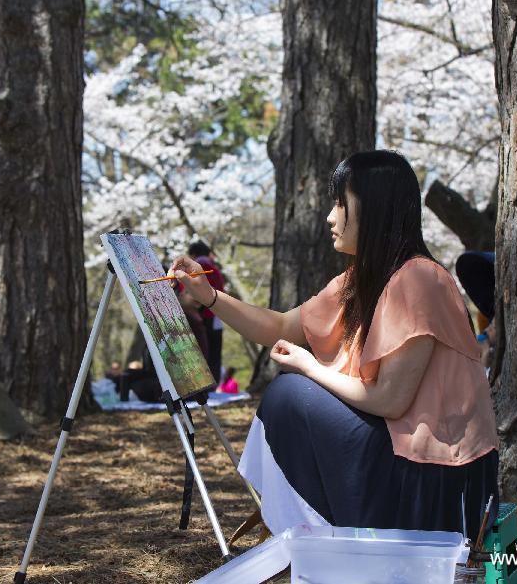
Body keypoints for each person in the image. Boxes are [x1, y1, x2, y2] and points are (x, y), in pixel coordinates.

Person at [169, 150, 499, 542]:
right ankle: (311, 536)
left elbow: (390, 400)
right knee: (289, 395)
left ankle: (312, 538)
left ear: (374, 208)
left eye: (341, 204)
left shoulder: (419, 279)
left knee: (290, 393)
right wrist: (209, 296)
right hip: (403, 457)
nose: (330, 216)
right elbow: (280, 325)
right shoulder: (362, 279)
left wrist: (312, 368)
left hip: (435, 478)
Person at [187, 241, 225, 383]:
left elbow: (200, 293)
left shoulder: (201, 268)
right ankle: (213, 383)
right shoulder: (214, 268)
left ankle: (206, 383)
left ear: (194, 254)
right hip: (217, 315)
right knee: (215, 352)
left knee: (206, 351)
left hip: (206, 315)